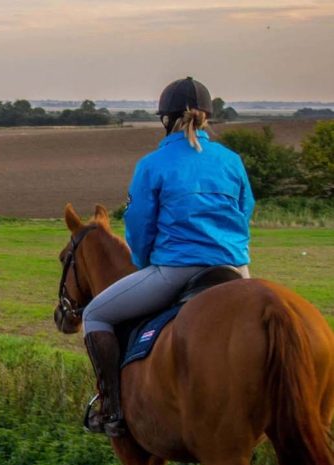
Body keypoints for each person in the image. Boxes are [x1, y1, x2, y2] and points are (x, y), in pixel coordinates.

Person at [82, 77, 255, 437]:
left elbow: (140, 224)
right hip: (236, 271)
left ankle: (112, 408)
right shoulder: (232, 160)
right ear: (206, 117)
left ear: (166, 119)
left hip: (177, 268)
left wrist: (145, 261)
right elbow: (245, 209)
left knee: (95, 314)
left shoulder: (153, 163)